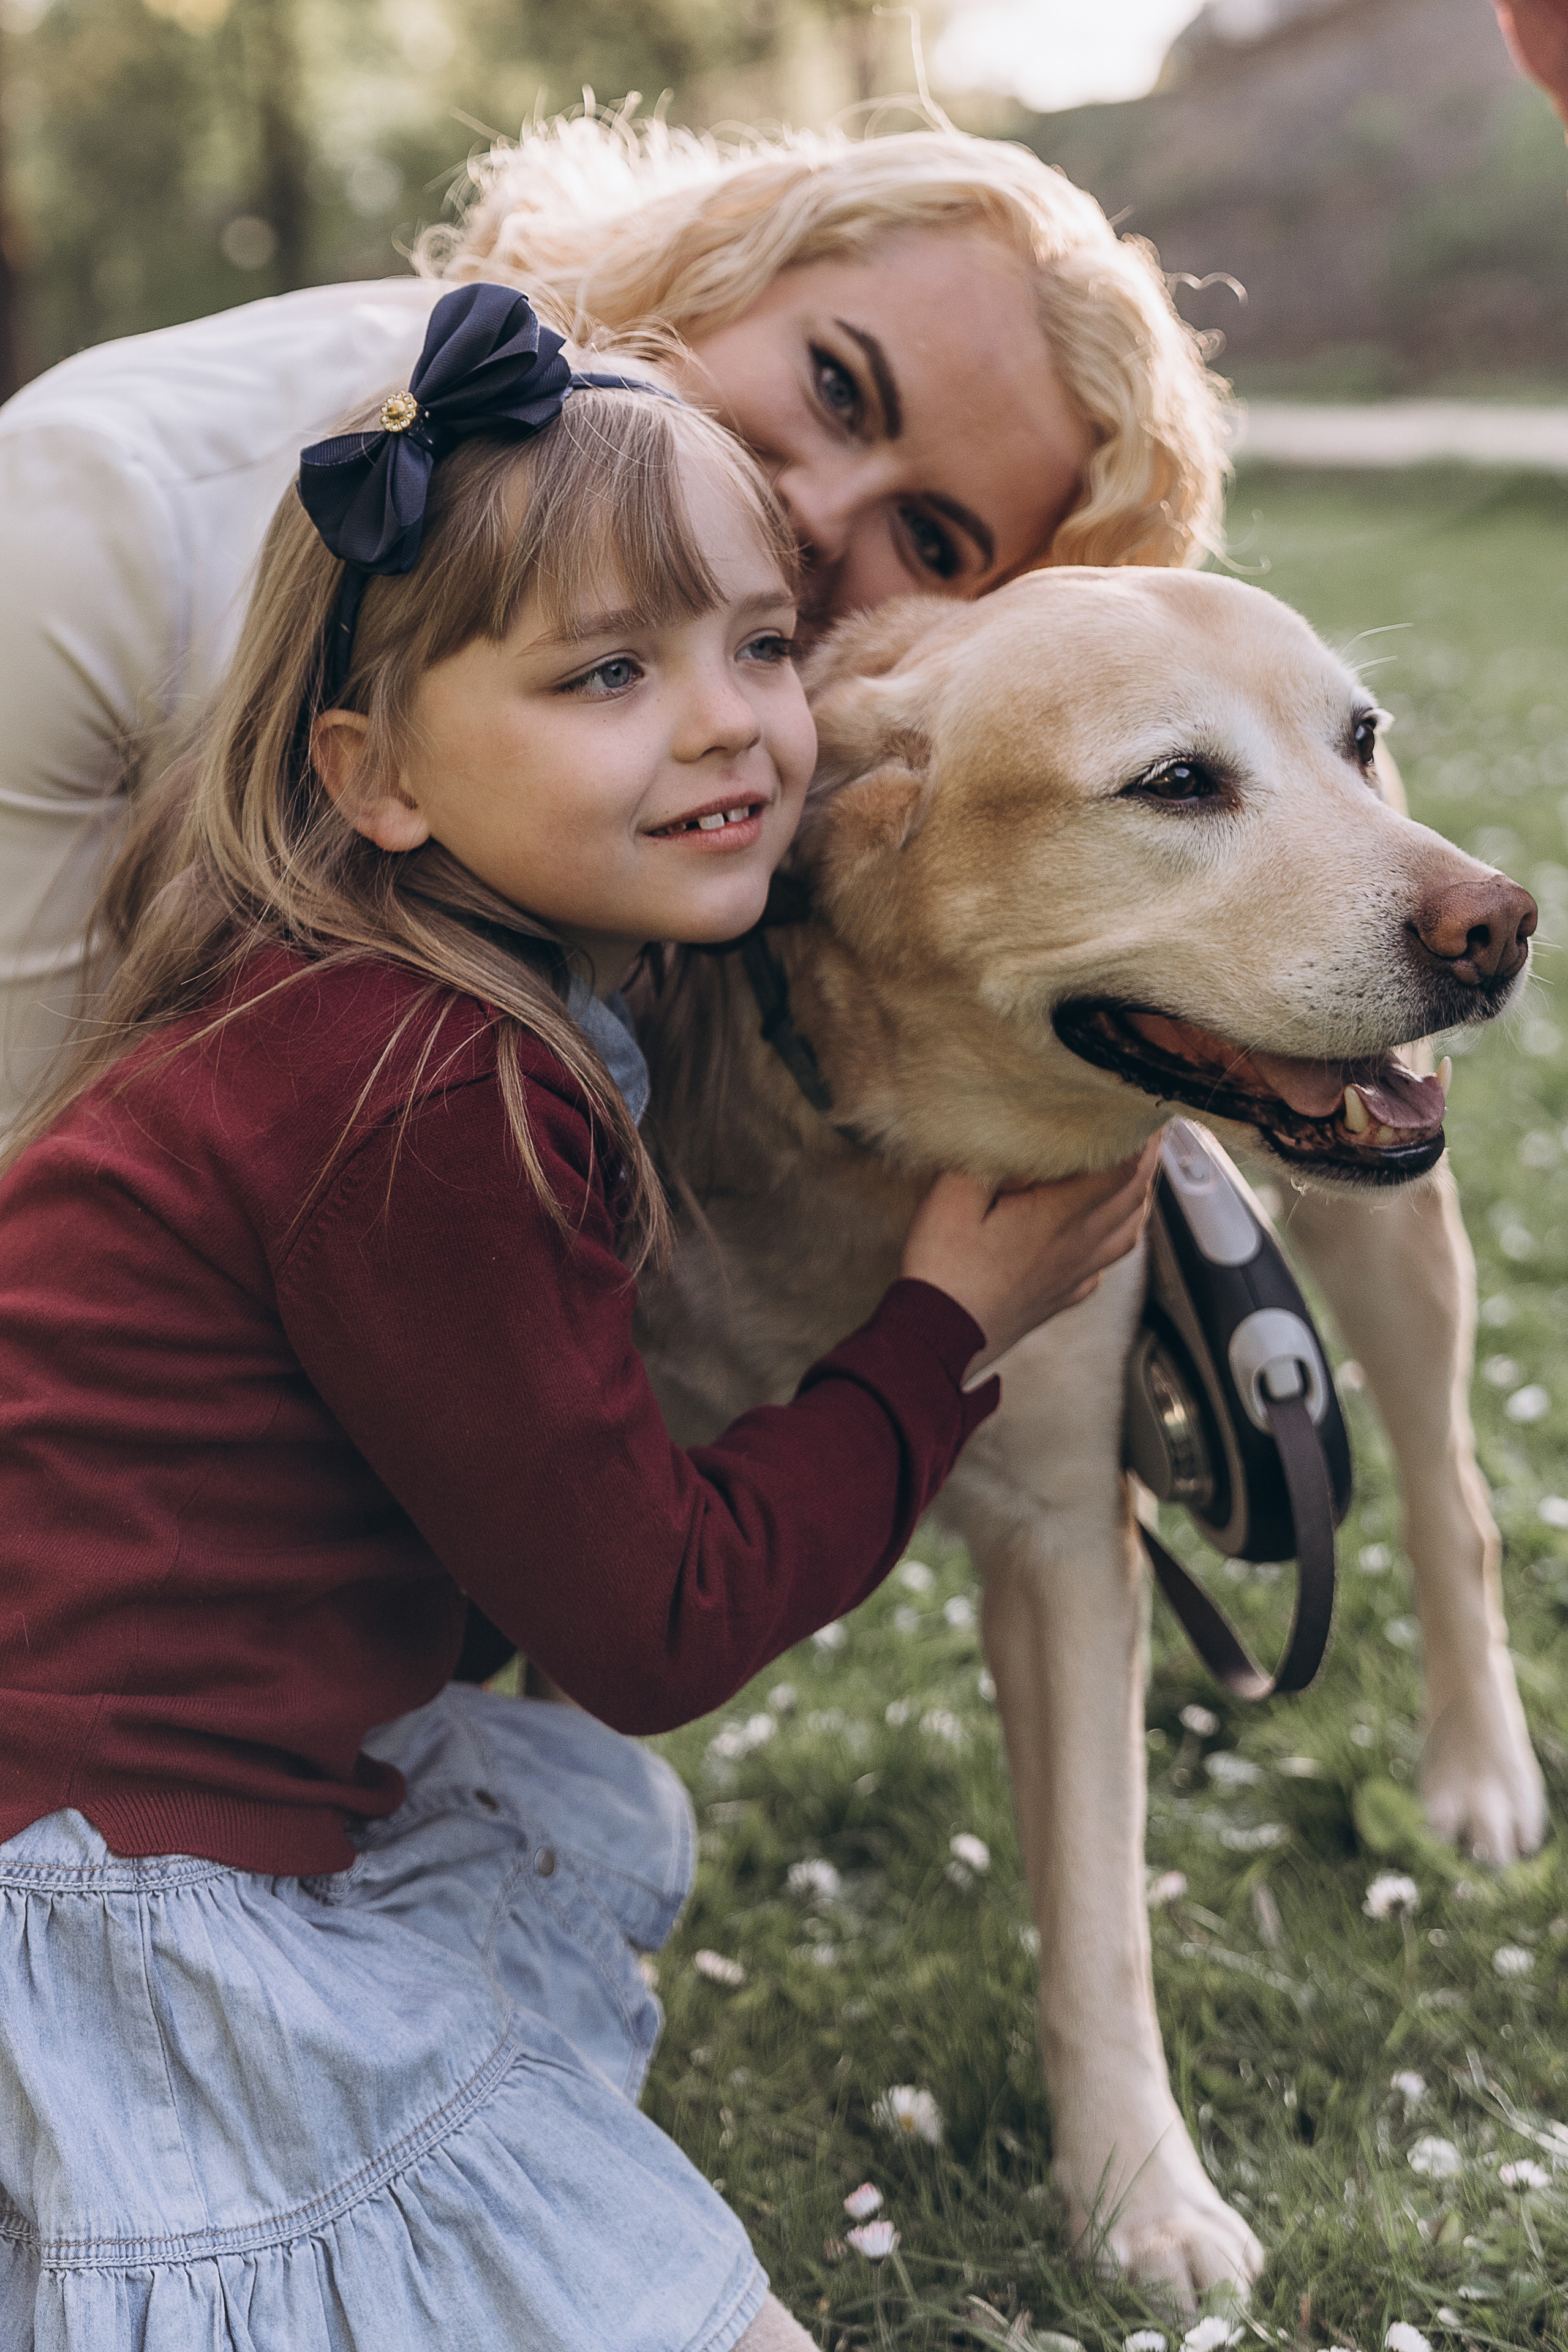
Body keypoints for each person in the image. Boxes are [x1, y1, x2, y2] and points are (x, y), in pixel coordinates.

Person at [0, 284, 1157, 2351]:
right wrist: (940, 1336)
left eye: (766, 644)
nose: (729, 724)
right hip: (114, 1879)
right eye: (611, 672)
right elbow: (642, 1625)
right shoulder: (420, 1092)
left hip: (186, 1768)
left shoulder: (388, 991)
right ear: (380, 775)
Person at [0, 115, 1230, 1125]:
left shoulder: (757, 764)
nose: (813, 511)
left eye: (929, 541)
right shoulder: (94, 520)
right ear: (717, 270)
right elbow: (32, 1155)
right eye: (835, 384)